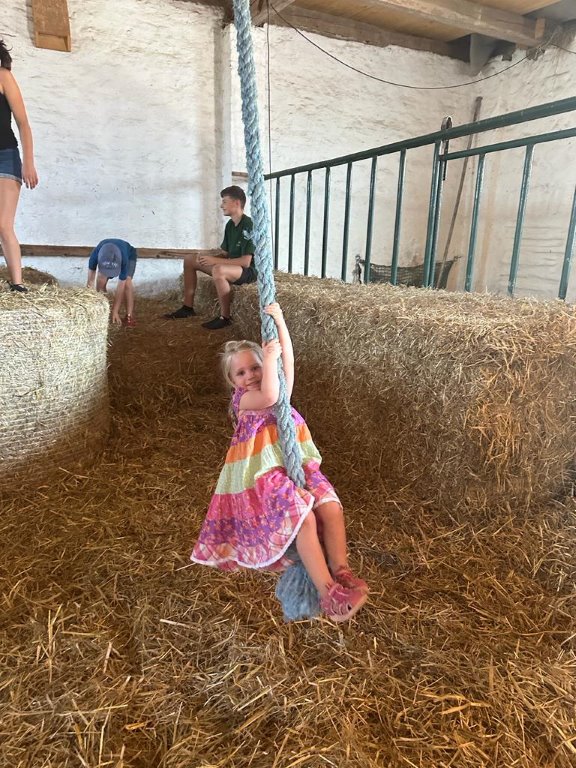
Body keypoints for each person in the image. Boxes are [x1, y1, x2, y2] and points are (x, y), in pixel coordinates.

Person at [191, 303, 368, 622]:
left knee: (331, 507)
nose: (250, 376)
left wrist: (280, 322)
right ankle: (328, 593)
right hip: (263, 475)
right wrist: (268, 360)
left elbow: (288, 362)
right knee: (304, 517)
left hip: (297, 465)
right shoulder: (244, 401)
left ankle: (341, 571)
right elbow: (270, 396)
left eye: (255, 367)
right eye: (241, 373)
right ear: (233, 382)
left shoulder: (278, 385)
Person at [164, 185, 257, 329]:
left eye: (224, 202)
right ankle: (187, 308)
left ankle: (225, 317)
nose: (221, 206)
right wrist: (206, 258)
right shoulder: (230, 225)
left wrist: (214, 260)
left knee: (218, 269)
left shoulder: (248, 225)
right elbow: (225, 255)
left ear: (237, 203)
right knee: (190, 259)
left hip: (248, 272)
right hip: (232, 267)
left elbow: (245, 262)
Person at [0, 40, 38, 293]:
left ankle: (17, 284)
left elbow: (23, 123)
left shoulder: (3, 76)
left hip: (5, 155)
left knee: (3, 224)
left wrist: (29, 163)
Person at [87, 239, 138, 326]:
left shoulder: (124, 259)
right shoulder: (95, 255)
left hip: (129, 255)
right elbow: (90, 283)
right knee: (101, 278)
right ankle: (103, 309)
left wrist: (115, 311)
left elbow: (121, 287)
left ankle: (129, 316)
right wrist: (90, 303)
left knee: (127, 282)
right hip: (107, 256)